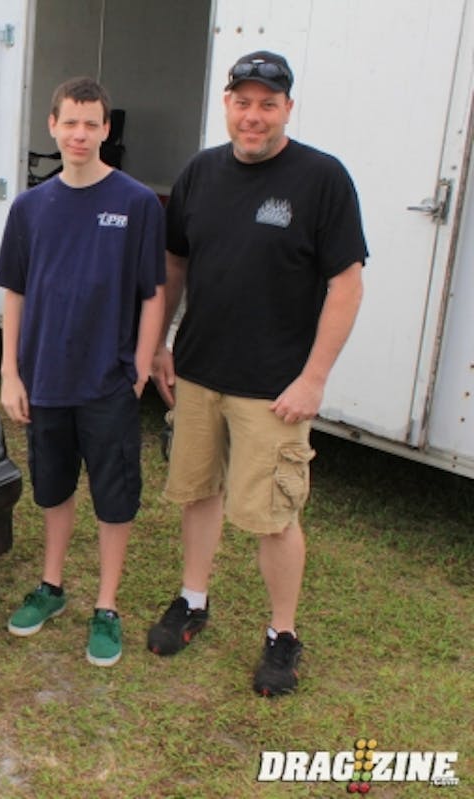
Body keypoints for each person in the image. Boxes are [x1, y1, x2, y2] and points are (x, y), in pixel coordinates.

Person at [147, 51, 367, 696]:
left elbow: (346, 286)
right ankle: (193, 600)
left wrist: (314, 378)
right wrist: (161, 341)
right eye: (242, 102)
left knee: (273, 514)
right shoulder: (199, 172)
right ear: (228, 105)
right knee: (197, 491)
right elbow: (174, 265)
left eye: (267, 103)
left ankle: (282, 635)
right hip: (199, 371)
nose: (253, 115)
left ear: (287, 109)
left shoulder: (322, 178)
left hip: (274, 388)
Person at [0, 77, 165, 667]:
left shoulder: (137, 203)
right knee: (53, 486)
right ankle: (51, 587)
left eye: (92, 124)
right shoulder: (30, 207)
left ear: (107, 130)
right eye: (71, 123)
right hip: (46, 379)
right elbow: (14, 293)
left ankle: (108, 607)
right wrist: (11, 374)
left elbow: (152, 294)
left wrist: (139, 370)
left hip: (108, 382)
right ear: (52, 125)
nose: (81, 134)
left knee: (114, 496)